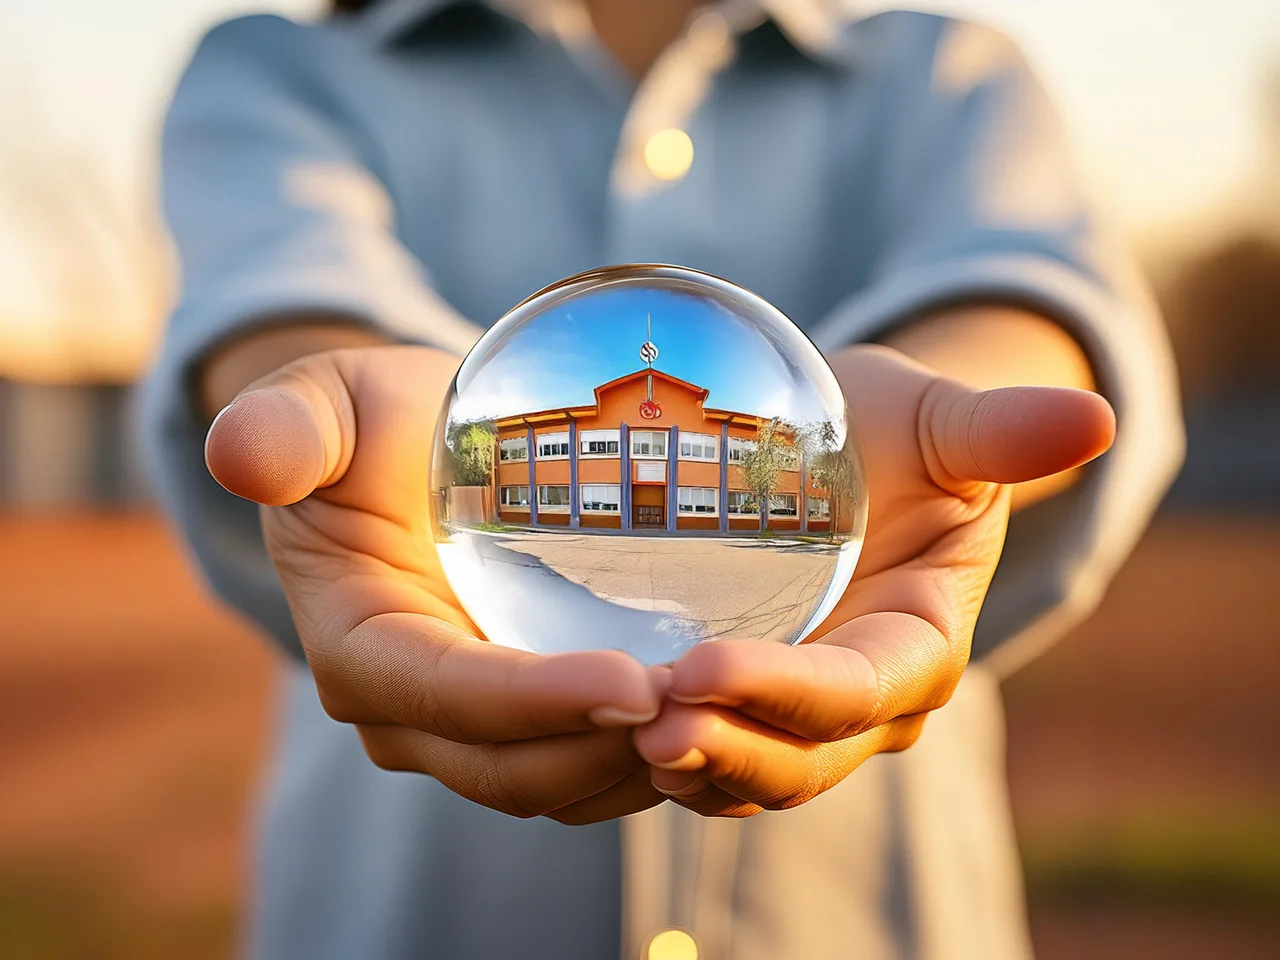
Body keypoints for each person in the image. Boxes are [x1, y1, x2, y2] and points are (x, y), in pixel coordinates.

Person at [141, 1, 1184, 957]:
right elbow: (282, 295)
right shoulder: (282, 65)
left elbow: (1020, 285)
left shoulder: (947, 70)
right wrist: (347, 410)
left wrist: (947, 413)